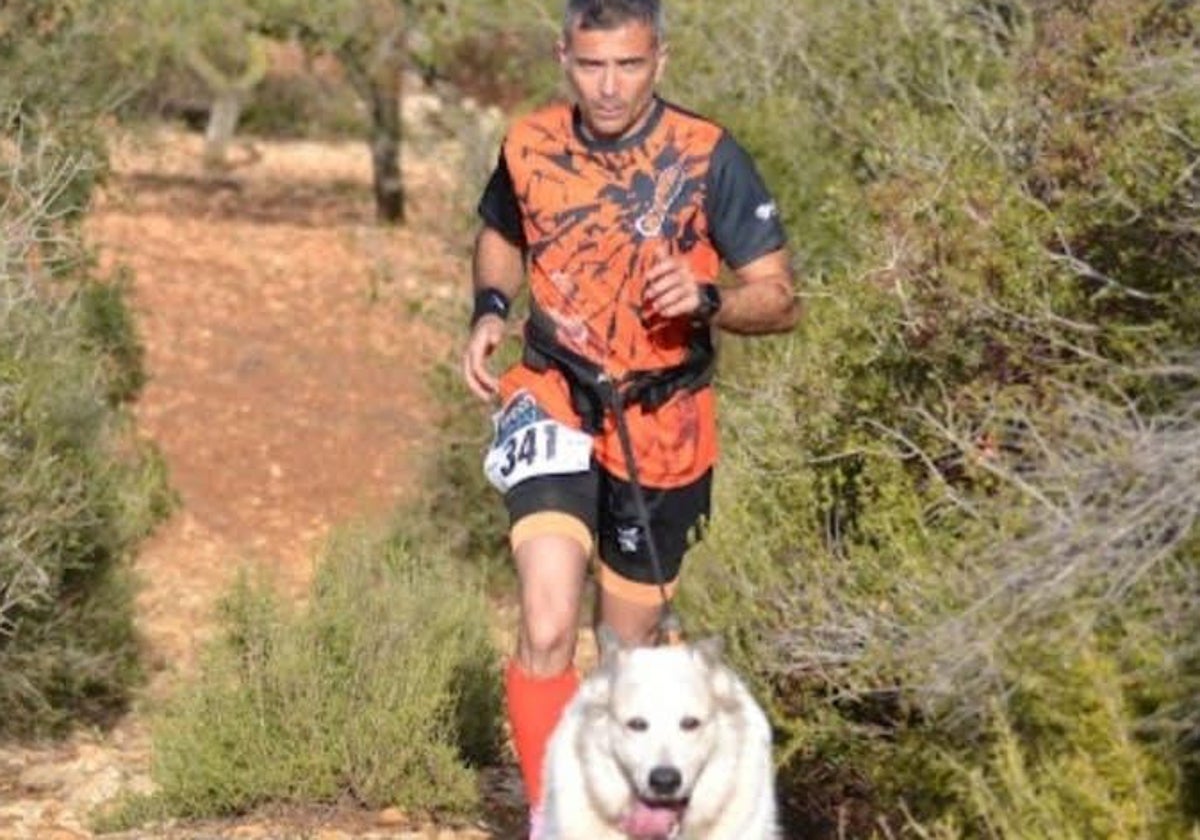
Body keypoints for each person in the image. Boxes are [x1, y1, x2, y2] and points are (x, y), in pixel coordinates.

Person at [460, 0, 798, 833]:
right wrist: (491, 308)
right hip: (554, 388)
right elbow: (502, 232)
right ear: (563, 57)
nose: (609, 86)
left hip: (664, 421)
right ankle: (553, 816)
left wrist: (710, 297)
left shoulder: (708, 155)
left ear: (661, 60)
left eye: (629, 65)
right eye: (591, 65)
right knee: (546, 620)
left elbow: (781, 297)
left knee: (627, 658)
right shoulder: (530, 143)